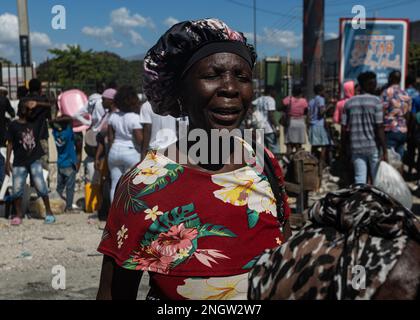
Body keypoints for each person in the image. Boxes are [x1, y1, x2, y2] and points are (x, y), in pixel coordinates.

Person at [96, 18, 291, 300]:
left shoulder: (264, 163)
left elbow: (285, 251)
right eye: (212, 75)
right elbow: (114, 293)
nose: (230, 88)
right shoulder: (143, 183)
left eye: (243, 77)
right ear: (180, 92)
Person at [5, 99, 55, 225]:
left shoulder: (35, 122)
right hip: (19, 162)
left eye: (26, 108)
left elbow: (51, 105)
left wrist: (38, 104)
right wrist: (7, 162)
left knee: (41, 186)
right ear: (18, 110)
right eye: (22, 108)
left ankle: (49, 212)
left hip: (34, 160)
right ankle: (18, 214)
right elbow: (10, 144)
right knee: (17, 189)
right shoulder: (13, 125)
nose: (24, 110)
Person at [341, 71, 388, 184]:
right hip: (373, 147)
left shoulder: (348, 103)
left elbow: (343, 129)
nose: (376, 86)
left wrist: (343, 149)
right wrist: (385, 150)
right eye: (374, 83)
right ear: (368, 85)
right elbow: (379, 127)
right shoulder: (376, 102)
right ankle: (374, 200)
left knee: (359, 178)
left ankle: (361, 200)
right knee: (376, 178)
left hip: (356, 147)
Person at [107, 86, 143, 202]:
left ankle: (113, 214)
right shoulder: (135, 118)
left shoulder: (113, 116)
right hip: (131, 153)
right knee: (133, 186)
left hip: (114, 151)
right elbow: (139, 140)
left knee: (115, 184)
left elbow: (110, 138)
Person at [381, 70, 411, 160]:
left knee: (389, 160)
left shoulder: (386, 93)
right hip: (403, 130)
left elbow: (381, 111)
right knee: (399, 160)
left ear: (390, 79)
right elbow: (408, 115)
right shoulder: (406, 94)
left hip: (390, 130)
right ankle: (398, 174)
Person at [51, 114, 78, 212]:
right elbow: (70, 119)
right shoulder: (68, 132)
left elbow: (52, 124)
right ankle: (69, 207)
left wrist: (56, 119)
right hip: (69, 164)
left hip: (60, 163)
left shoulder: (55, 134)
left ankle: (55, 205)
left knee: (59, 187)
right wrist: (64, 118)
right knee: (70, 188)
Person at [27, 79, 51, 170]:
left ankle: (32, 184)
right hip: (42, 136)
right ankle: (44, 184)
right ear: (39, 88)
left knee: (30, 164)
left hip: (27, 138)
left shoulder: (24, 100)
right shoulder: (44, 101)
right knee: (44, 165)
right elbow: (49, 118)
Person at [252, 86, 281, 159]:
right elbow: (271, 115)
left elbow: (251, 105)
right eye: (275, 92)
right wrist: (277, 127)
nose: (276, 93)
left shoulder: (259, 99)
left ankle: (263, 167)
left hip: (259, 127)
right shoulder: (270, 100)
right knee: (275, 149)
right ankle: (275, 167)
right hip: (269, 128)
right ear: (271, 91)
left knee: (261, 150)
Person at [308, 84, 331, 170]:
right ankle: (321, 163)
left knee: (314, 145)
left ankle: (312, 163)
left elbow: (308, 115)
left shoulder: (311, 101)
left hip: (313, 126)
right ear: (320, 91)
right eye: (324, 90)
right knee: (324, 145)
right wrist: (329, 106)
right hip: (319, 125)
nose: (325, 92)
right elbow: (321, 112)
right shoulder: (321, 100)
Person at [281, 84, 308, 155]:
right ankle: (297, 164)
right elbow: (306, 112)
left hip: (290, 123)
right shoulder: (304, 101)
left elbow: (281, 108)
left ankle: (287, 163)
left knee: (289, 146)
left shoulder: (288, 99)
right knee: (298, 147)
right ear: (301, 92)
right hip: (300, 123)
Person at [0, 86, 16, 187]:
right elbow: (13, 113)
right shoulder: (4, 100)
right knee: (2, 158)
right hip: (1, 134)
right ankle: (2, 182)